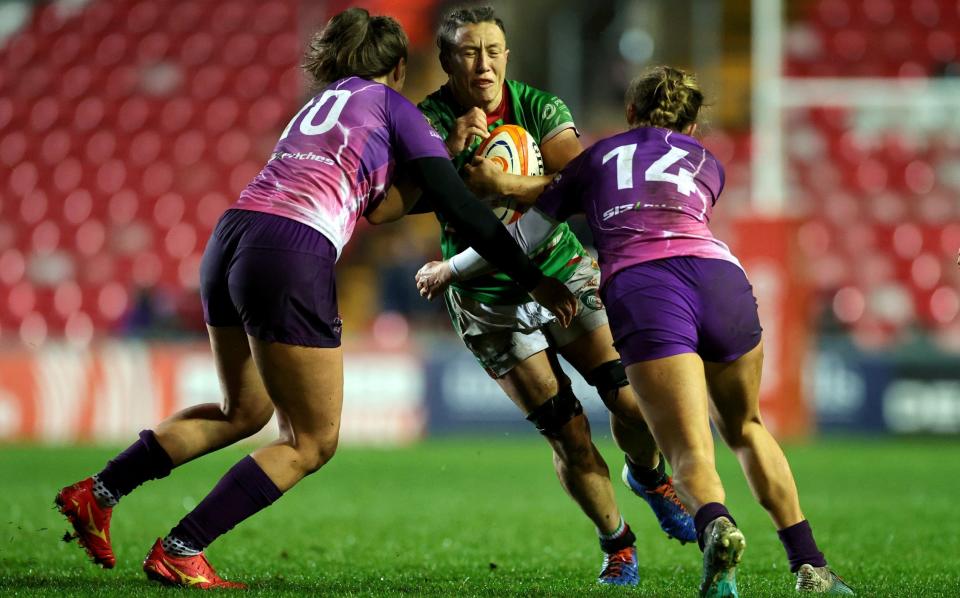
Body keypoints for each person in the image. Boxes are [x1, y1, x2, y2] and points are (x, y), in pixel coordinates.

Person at [54, 8, 576, 590]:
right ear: (400, 67)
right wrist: (534, 278)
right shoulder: (395, 107)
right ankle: (182, 546)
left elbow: (375, 201)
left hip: (231, 236)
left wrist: (444, 152)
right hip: (290, 248)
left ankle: (97, 492)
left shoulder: (316, 108)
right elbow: (464, 211)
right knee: (311, 440)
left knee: (243, 411)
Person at [417, 65, 855, 597]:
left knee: (691, 451)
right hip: (720, 278)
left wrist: (451, 267)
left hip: (646, 287)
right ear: (692, 127)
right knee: (746, 427)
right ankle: (810, 567)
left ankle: (716, 524)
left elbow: (527, 235)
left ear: (630, 113)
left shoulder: (597, 158)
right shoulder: (707, 162)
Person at [411, 6, 695, 586]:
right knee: (566, 430)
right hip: (487, 293)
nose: (484, 63)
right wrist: (444, 157)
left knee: (628, 400)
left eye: (493, 50)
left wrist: (504, 185)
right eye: (469, 51)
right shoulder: (425, 123)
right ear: (445, 61)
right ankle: (618, 545)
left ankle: (647, 475)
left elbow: (581, 180)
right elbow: (396, 199)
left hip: (560, 270)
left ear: (507, 55)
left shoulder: (541, 107)